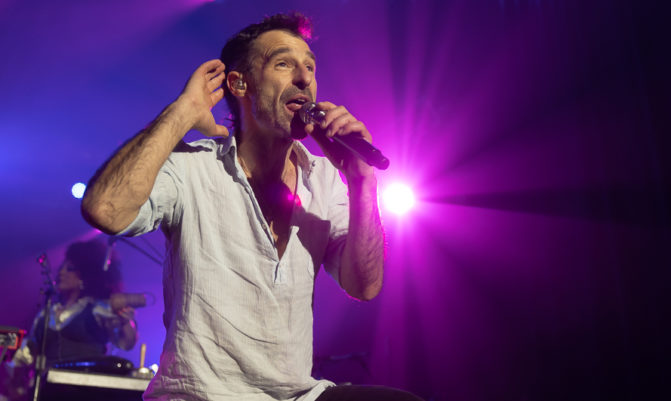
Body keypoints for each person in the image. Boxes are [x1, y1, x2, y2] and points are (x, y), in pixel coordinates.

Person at [81, 12, 421, 401]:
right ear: (239, 84)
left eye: (310, 66)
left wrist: (362, 182)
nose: (304, 78)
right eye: (283, 64)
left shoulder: (326, 178)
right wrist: (181, 112)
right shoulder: (193, 166)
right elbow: (104, 209)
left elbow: (364, 285)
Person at [2, 239, 138, 400]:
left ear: (85, 275)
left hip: (85, 390)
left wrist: (125, 322)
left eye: (70, 268)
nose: (61, 272)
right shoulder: (46, 313)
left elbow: (126, 343)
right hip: (47, 390)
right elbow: (27, 353)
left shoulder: (98, 309)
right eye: (61, 267)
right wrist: (15, 374)